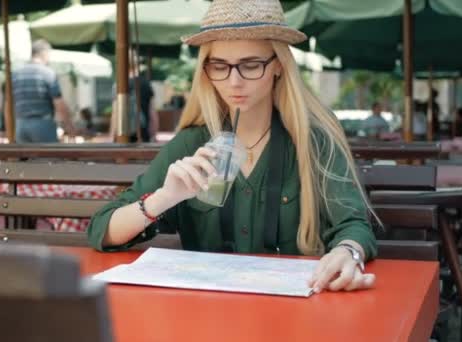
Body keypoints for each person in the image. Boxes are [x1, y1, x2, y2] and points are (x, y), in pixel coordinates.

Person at [87, 0, 377, 293]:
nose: (234, 81)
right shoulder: (191, 144)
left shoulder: (314, 141)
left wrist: (347, 252)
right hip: (207, 313)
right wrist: (164, 197)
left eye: (251, 65)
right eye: (220, 66)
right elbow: (102, 229)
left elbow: (353, 226)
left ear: (277, 66)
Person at [12, 39, 75, 143]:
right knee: (49, 158)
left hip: (20, 125)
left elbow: (8, 105)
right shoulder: (47, 73)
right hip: (42, 124)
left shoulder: (15, 75)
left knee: (24, 158)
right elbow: (59, 104)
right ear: (44, 53)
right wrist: (70, 126)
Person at [110, 49, 158, 142]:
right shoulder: (146, 84)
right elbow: (153, 114)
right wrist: (153, 135)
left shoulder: (119, 86)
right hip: (143, 134)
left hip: (123, 135)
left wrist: (112, 135)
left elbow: (116, 113)